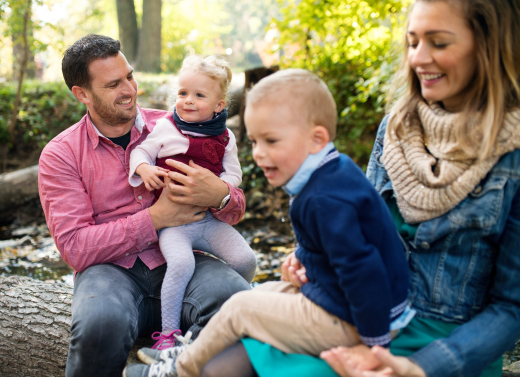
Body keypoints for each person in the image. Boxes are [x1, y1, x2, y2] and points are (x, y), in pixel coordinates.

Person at [204, 0, 520, 376]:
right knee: (222, 365)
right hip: (362, 313)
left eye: (438, 43)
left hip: (444, 345)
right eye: (413, 41)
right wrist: (307, 260)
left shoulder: (513, 157)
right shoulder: (397, 130)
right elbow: (359, 229)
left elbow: (511, 309)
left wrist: (421, 368)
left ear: (489, 47)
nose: (419, 57)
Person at [122, 69, 414, 377]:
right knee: (255, 294)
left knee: (239, 308)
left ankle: (180, 370)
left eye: (272, 141)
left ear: (316, 139)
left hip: (359, 322)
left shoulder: (324, 199)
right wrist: (305, 260)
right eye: (255, 142)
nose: (260, 155)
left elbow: (362, 268)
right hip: (351, 303)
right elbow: (339, 244)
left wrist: (374, 348)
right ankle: (196, 347)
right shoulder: (333, 171)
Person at [37, 34, 252, 377]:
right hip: (111, 271)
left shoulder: (175, 125)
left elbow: (235, 209)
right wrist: (156, 218)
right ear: (82, 94)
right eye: (113, 85)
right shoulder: (61, 155)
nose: (130, 89)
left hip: (186, 258)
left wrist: (220, 195)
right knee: (100, 325)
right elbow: (76, 248)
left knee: (238, 300)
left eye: (129, 76)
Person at [128, 54, 257, 349]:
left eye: (199, 95)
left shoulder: (225, 138)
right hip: (173, 224)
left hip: (208, 220)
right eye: (183, 93)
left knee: (245, 259)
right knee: (182, 263)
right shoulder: (166, 128)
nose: (187, 100)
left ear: (218, 105)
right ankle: (169, 334)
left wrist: (217, 189)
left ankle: (239, 301)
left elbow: (233, 173)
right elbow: (142, 152)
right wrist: (144, 169)